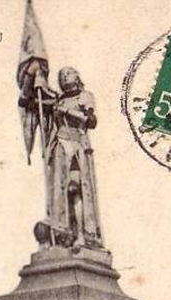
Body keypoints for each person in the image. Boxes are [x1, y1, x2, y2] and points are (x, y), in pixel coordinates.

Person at [45, 66, 103, 249]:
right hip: (61, 146)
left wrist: (68, 112)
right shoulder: (59, 100)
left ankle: (83, 234)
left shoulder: (84, 96)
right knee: (61, 191)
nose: (64, 76)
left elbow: (91, 121)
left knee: (75, 188)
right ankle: (65, 233)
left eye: (68, 73)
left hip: (77, 145)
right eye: (61, 75)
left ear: (76, 77)